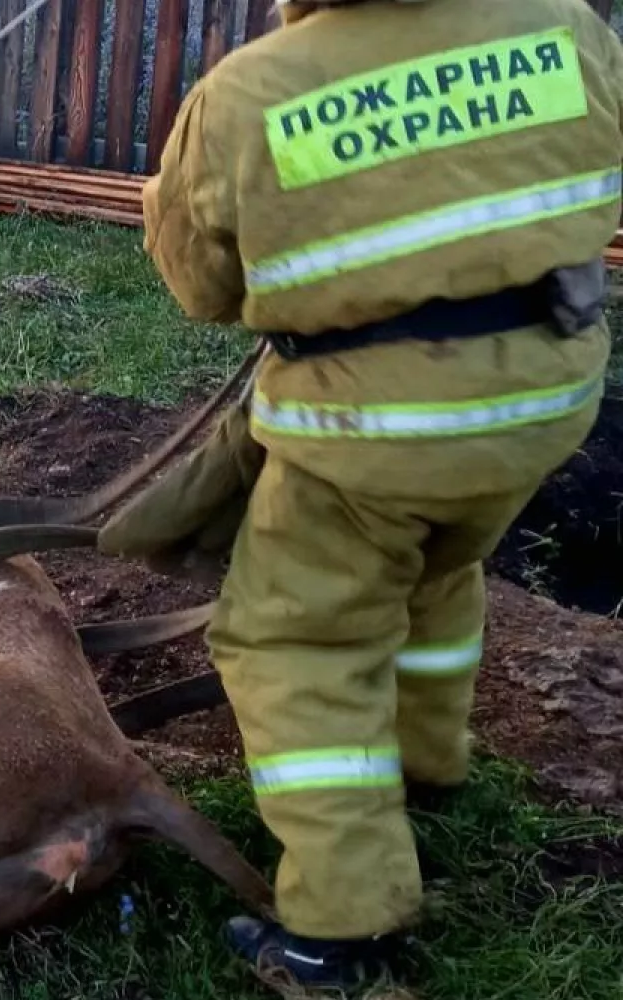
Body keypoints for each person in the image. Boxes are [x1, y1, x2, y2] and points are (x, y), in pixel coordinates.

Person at [107, 0, 622, 992]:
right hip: (540, 402)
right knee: (436, 568)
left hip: (371, 436)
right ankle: (426, 767)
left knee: (296, 639)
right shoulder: (563, 25)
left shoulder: (247, 94)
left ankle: (339, 938)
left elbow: (202, 288)